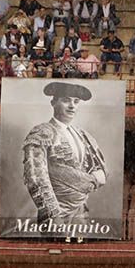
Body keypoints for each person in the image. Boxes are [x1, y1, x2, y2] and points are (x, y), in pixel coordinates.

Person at [21, 81, 108, 231]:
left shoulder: (83, 135)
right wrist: (54, 215)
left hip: (81, 211)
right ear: (53, 103)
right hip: (56, 213)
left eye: (76, 101)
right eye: (66, 100)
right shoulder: (42, 132)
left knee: (80, 243)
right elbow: (35, 178)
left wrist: (93, 178)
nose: (72, 106)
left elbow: (101, 171)